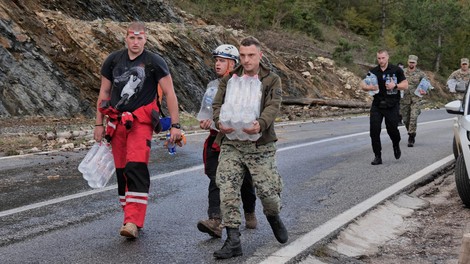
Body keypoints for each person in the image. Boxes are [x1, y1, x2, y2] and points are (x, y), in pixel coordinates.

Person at [93, 21, 182, 239]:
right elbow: (104, 93)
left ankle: (133, 220)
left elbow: (170, 93)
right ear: (125, 38)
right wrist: (98, 124)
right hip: (116, 123)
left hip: (140, 123)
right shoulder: (113, 60)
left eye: (140, 38)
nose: (136, 42)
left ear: (146, 38)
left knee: (136, 167)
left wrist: (176, 126)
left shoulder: (154, 62)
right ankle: (129, 216)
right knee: (122, 172)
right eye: (132, 38)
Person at [212, 36, 287, 259]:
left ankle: (273, 216)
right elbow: (217, 104)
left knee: (267, 192)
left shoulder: (271, 80)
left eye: (251, 55)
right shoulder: (229, 79)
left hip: (259, 145)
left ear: (260, 55)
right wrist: (218, 122)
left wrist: (261, 124)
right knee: (226, 187)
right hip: (232, 143)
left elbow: (274, 106)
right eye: (242, 55)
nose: (246, 60)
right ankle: (233, 239)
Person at [196, 44, 258, 239]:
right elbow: (206, 112)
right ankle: (215, 220)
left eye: (222, 60)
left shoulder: (245, 85)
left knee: (245, 181)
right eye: (216, 60)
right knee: (217, 178)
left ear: (233, 63)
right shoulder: (212, 86)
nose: (217, 64)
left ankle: (249, 210)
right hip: (217, 138)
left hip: (238, 139)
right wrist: (206, 122)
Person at [361, 49, 408, 165]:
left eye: (383, 58)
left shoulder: (396, 70)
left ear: (387, 57)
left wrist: (395, 85)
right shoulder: (373, 71)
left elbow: (405, 85)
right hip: (377, 104)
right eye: (379, 58)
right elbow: (362, 84)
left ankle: (396, 144)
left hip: (392, 105)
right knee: (374, 131)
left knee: (392, 130)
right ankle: (377, 156)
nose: (381, 60)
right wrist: (369, 88)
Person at [400, 55, 429, 147]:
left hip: (416, 99)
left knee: (413, 117)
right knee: (405, 119)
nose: (411, 64)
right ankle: (411, 131)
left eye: (413, 62)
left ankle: (411, 136)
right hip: (404, 99)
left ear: (416, 63)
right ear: (407, 62)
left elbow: (427, 85)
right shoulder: (401, 72)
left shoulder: (421, 74)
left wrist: (425, 91)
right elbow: (396, 82)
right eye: (410, 62)